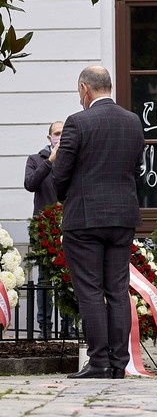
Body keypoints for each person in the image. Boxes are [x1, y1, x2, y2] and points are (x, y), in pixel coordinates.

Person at [52, 66, 145, 379]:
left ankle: (99, 362)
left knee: (90, 291)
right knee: (118, 290)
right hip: (122, 217)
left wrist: (68, 196)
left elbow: (59, 175)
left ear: (84, 89)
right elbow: (137, 170)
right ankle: (120, 363)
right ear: (109, 86)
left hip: (85, 218)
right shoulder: (133, 121)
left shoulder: (78, 122)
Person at [24, 121, 76, 339]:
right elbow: (30, 184)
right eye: (57, 133)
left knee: (69, 277)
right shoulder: (36, 160)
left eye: (64, 133)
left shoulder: (74, 158)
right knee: (45, 280)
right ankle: (44, 328)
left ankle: (68, 326)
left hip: (70, 225)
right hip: (44, 227)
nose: (60, 137)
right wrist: (50, 161)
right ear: (49, 138)